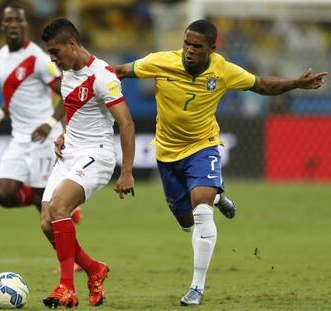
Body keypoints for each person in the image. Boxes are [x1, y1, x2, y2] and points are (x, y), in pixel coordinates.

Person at [114, 19, 327, 306]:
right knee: (187, 224)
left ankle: (196, 288)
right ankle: (218, 196)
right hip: (166, 153)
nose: (189, 50)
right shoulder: (160, 62)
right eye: (186, 43)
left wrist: (296, 84)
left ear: (212, 49)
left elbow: (261, 85)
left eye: (197, 46)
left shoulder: (223, 70)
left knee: (202, 215)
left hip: (203, 146)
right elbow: (120, 71)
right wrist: (84, 72)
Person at [39, 18, 135, 308]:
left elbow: (127, 123)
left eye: (56, 52)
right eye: (49, 54)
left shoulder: (102, 75)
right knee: (47, 224)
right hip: (69, 154)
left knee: (59, 208)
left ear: (72, 44)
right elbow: (78, 109)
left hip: (98, 154)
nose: (53, 59)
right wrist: (66, 134)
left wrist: (127, 171)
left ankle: (66, 288)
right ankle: (94, 269)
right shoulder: (68, 72)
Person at [0, 3, 81, 223]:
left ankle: (70, 254)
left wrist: (49, 123)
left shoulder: (38, 58)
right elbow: (13, 95)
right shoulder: (2, 56)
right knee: (3, 193)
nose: (14, 24)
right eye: (9, 20)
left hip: (44, 136)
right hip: (20, 138)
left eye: (18, 20)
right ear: (2, 25)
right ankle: (60, 202)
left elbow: (67, 94)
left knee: (44, 207)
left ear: (25, 25)